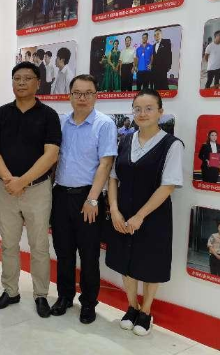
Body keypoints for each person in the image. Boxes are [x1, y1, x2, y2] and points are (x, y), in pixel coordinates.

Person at [0, 62, 62, 318]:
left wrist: (23, 181)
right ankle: (10, 291)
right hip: (6, 189)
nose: (21, 82)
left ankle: (41, 294)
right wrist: (10, 180)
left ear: (38, 83)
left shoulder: (49, 115)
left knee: (39, 245)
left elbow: (51, 155)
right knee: (8, 244)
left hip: (37, 190)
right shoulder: (1, 113)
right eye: (17, 78)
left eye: (27, 78)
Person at [106, 89, 184, 336]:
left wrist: (140, 215)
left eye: (149, 108)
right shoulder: (125, 141)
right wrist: (114, 209)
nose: (142, 113)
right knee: (126, 261)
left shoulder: (172, 144)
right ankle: (131, 307)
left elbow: (168, 185)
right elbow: (113, 177)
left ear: (160, 112)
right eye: (137, 109)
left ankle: (146, 312)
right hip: (122, 213)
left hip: (153, 216)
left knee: (151, 263)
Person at [50, 75, 116, 325]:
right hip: (60, 195)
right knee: (63, 251)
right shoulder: (61, 123)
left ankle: (88, 303)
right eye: (77, 93)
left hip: (88, 197)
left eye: (88, 93)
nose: (82, 98)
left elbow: (105, 164)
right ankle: (65, 296)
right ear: (69, 96)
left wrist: (92, 200)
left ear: (96, 96)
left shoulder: (104, 124)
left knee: (89, 255)